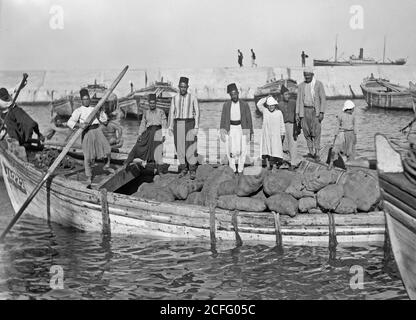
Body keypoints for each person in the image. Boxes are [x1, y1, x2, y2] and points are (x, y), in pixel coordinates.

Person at [66, 88, 113, 187]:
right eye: (84, 99)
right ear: (81, 100)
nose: (86, 101)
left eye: (88, 99)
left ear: (89, 99)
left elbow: (104, 121)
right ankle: (88, 177)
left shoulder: (94, 109)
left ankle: (107, 165)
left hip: (97, 131)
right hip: (87, 133)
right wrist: (80, 125)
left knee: (107, 149)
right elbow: (69, 122)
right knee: (88, 157)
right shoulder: (78, 111)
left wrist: (100, 112)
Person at [123, 94, 167, 172]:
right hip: (148, 132)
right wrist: (140, 134)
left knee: (156, 150)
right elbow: (143, 124)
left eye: (153, 103)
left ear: (156, 103)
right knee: (138, 145)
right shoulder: (146, 112)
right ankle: (128, 161)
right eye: (151, 103)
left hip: (158, 132)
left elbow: (164, 123)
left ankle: (156, 168)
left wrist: (164, 134)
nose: (152, 105)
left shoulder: (161, 112)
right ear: (149, 103)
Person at [168, 77, 200, 179]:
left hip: (189, 122)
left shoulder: (193, 97)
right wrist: (170, 127)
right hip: (178, 123)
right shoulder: (174, 98)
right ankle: (183, 168)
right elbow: (171, 113)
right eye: (181, 87)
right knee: (180, 147)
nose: (183, 89)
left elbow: (198, 113)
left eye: (184, 87)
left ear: (187, 87)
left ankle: (192, 170)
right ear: (178, 87)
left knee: (191, 146)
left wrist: (196, 127)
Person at [220, 83, 253, 175]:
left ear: (238, 93)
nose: (234, 96)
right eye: (232, 94)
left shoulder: (244, 104)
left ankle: (241, 169)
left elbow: (249, 119)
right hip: (230, 127)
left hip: (242, 127)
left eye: (235, 93)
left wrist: (251, 132)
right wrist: (222, 131)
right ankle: (233, 169)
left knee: (243, 149)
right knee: (230, 149)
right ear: (230, 95)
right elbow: (223, 119)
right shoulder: (226, 105)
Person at [296, 67, 327, 161]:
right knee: (306, 132)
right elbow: (298, 100)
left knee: (316, 132)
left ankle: (317, 153)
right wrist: (297, 113)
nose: (307, 77)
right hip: (304, 111)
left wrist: (322, 112)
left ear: (312, 75)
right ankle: (311, 152)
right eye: (305, 75)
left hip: (315, 112)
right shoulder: (301, 85)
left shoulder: (318, 84)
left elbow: (323, 99)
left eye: (309, 75)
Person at [256, 96, 286, 170]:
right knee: (267, 150)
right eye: (269, 105)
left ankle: (275, 165)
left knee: (276, 150)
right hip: (266, 135)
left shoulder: (279, 113)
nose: (271, 107)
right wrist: (266, 98)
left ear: (275, 105)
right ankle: (268, 165)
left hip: (276, 135)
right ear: (267, 106)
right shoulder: (265, 111)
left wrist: (282, 133)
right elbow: (259, 104)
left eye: (272, 105)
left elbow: (282, 124)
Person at [278, 85, 298, 167]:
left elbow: (298, 114)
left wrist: (297, 127)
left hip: (292, 125)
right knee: (283, 144)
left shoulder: (293, 102)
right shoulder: (279, 104)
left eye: (288, 94)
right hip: (283, 125)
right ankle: (285, 161)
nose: (287, 96)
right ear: (282, 95)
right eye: (285, 94)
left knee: (293, 144)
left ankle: (293, 163)